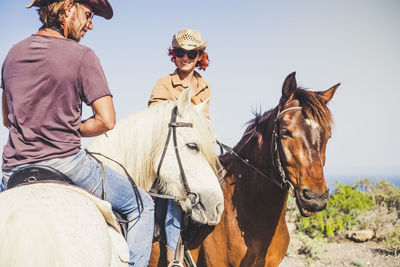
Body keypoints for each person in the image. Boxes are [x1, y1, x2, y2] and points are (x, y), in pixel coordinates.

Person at [0, 1, 154, 266]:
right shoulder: (82, 55)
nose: (90, 24)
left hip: (12, 170)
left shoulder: (12, 54)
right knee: (142, 205)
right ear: (67, 8)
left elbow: (6, 118)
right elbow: (106, 121)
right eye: (88, 14)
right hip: (67, 163)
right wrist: (73, 126)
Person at [148, 28, 211, 259]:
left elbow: (206, 124)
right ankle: (173, 256)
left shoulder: (205, 86)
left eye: (191, 53)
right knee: (177, 198)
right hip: (169, 154)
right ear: (173, 54)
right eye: (180, 52)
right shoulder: (164, 84)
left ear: (199, 56)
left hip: (194, 153)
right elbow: (154, 120)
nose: (185, 57)